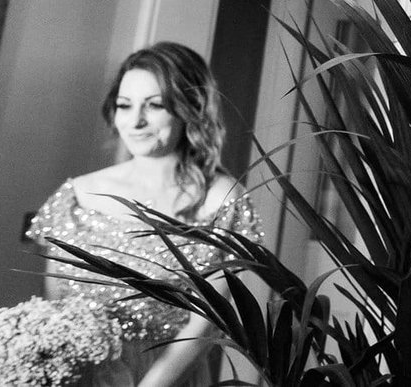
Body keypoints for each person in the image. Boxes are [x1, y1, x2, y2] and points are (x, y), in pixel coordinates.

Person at [25, 42, 262, 387]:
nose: (135, 121)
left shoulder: (221, 199)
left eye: (154, 106)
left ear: (188, 108)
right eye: (124, 105)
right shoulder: (78, 194)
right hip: (80, 375)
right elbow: (55, 306)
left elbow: (205, 321)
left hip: (167, 375)